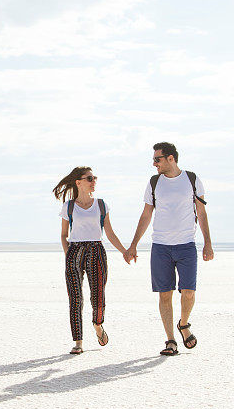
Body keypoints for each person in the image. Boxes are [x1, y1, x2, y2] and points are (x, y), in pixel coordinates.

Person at [125, 143, 213, 356]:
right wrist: (133, 244)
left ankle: (183, 325)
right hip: (161, 247)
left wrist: (208, 243)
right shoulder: (154, 182)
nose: (154, 163)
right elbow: (146, 215)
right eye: (154, 159)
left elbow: (201, 213)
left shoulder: (191, 180)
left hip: (186, 246)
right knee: (165, 295)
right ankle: (171, 341)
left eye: (158, 159)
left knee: (189, 293)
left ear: (171, 158)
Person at [53, 167, 129, 355]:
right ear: (78, 182)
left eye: (94, 177)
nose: (93, 181)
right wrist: (68, 252)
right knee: (75, 299)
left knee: (98, 296)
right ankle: (78, 342)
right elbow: (64, 234)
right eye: (89, 178)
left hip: (96, 250)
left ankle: (98, 325)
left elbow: (109, 232)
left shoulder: (101, 205)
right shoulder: (69, 206)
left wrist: (124, 251)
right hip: (74, 250)